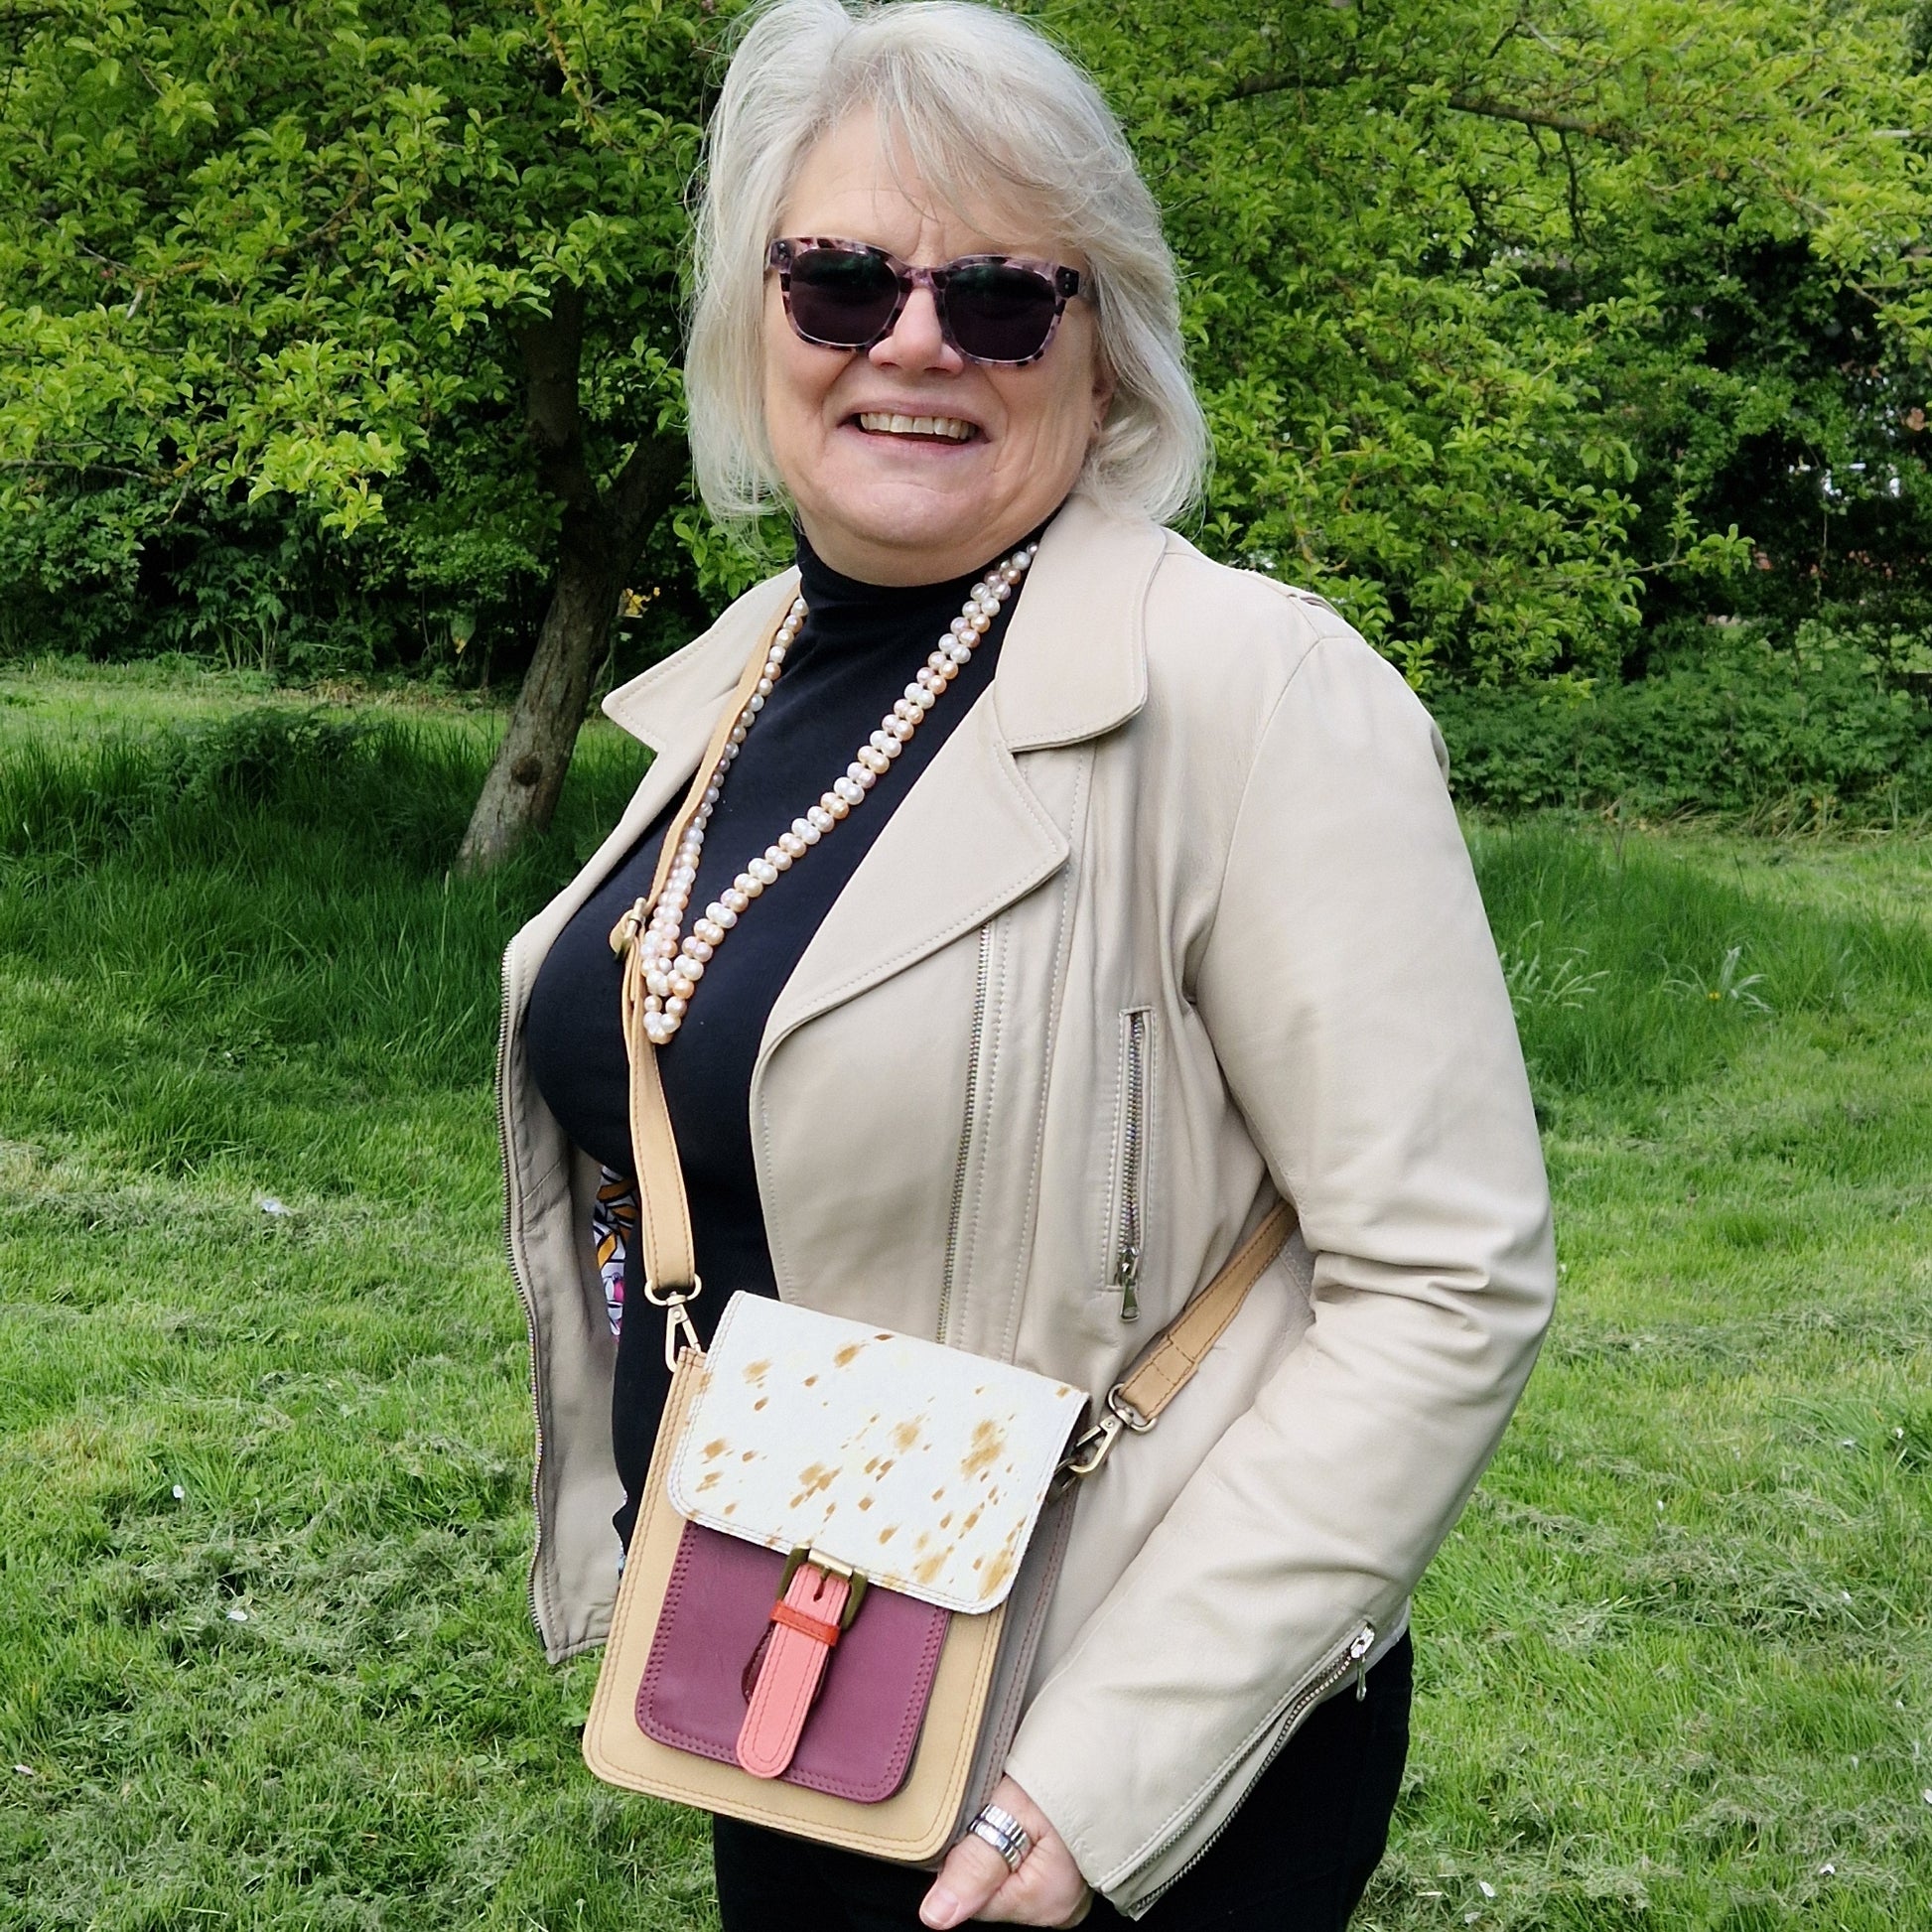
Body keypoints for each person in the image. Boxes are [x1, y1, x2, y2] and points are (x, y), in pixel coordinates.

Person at [499, 1, 1556, 1925]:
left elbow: (1444, 1278)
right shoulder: (743, 671)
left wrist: (1098, 1777)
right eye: (838, 281)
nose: (910, 339)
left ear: (1106, 344)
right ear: (759, 315)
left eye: (999, 297)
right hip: (801, 1650)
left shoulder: (1248, 691)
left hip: (1083, 1757)